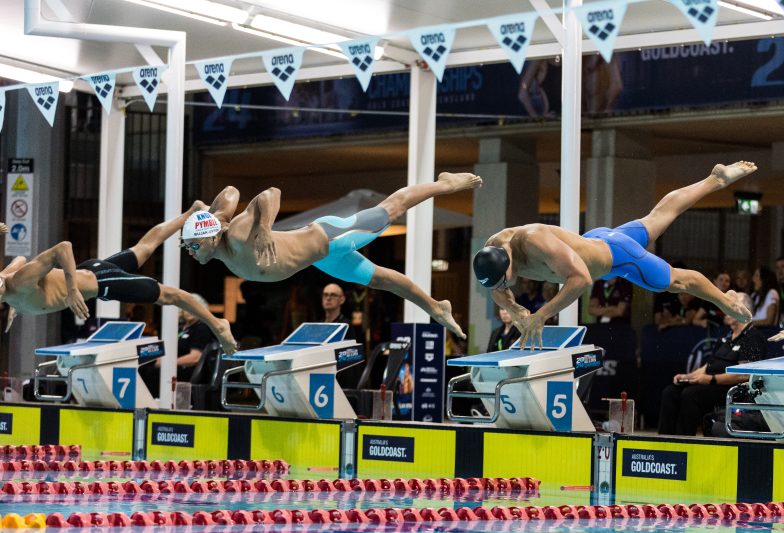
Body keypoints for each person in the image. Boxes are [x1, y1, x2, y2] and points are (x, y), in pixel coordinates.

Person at [473, 162, 756, 348]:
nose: (504, 287)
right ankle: (714, 179)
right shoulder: (494, 250)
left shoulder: (536, 241)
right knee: (657, 217)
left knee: (676, 281)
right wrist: (515, 309)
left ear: (508, 263)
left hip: (615, 255)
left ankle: (725, 300)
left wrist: (542, 315)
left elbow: (581, 280)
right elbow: (496, 289)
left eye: (505, 281)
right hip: (597, 241)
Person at [180, 172, 482, 339]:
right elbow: (229, 191)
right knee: (381, 281)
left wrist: (264, 227)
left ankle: (445, 183)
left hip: (331, 238)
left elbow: (270, 193)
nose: (191, 253)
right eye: (188, 247)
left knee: (392, 208)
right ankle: (437, 307)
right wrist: (202, 213)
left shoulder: (238, 233)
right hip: (322, 259)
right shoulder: (219, 232)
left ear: (210, 237)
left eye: (193, 246)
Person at [0, 213, 236, 353]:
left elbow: (63, 248)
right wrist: (15, 306)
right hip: (94, 272)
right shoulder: (10, 280)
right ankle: (191, 212)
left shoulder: (19, 281)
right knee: (143, 248)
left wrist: (72, 290)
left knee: (169, 296)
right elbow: (18, 259)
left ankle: (218, 325)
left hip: (101, 281)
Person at [658, 294, 766, 435]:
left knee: (690, 394)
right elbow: (708, 366)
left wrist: (710, 379)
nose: (725, 308)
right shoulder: (725, 338)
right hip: (711, 383)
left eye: (730, 305)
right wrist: (688, 376)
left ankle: (683, 443)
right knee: (671, 392)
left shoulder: (753, 338)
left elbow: (744, 375)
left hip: (732, 389)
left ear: (744, 310)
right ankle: (663, 442)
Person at [176, 295, 215, 381]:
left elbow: (195, 358)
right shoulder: (179, 328)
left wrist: (168, 363)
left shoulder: (202, 328)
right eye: (186, 307)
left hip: (188, 373)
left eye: (192, 307)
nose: (189, 311)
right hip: (173, 368)